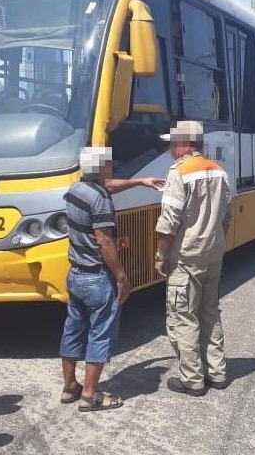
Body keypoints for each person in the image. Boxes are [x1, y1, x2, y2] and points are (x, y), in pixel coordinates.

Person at [58, 146, 162, 412]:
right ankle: (90, 395)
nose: (112, 165)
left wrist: (140, 181)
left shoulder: (76, 190)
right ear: (101, 168)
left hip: (75, 274)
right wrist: (121, 276)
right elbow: (104, 241)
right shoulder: (100, 199)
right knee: (100, 334)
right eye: (108, 163)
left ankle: (70, 387)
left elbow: (109, 186)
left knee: (73, 329)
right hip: (96, 277)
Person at [154, 121, 233, 396]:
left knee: (183, 317)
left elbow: (168, 223)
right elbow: (227, 218)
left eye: (173, 143)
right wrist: (215, 244)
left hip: (186, 257)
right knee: (210, 312)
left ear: (187, 144)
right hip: (213, 255)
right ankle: (217, 373)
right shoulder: (219, 171)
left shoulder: (179, 172)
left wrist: (160, 255)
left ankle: (192, 380)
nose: (170, 148)